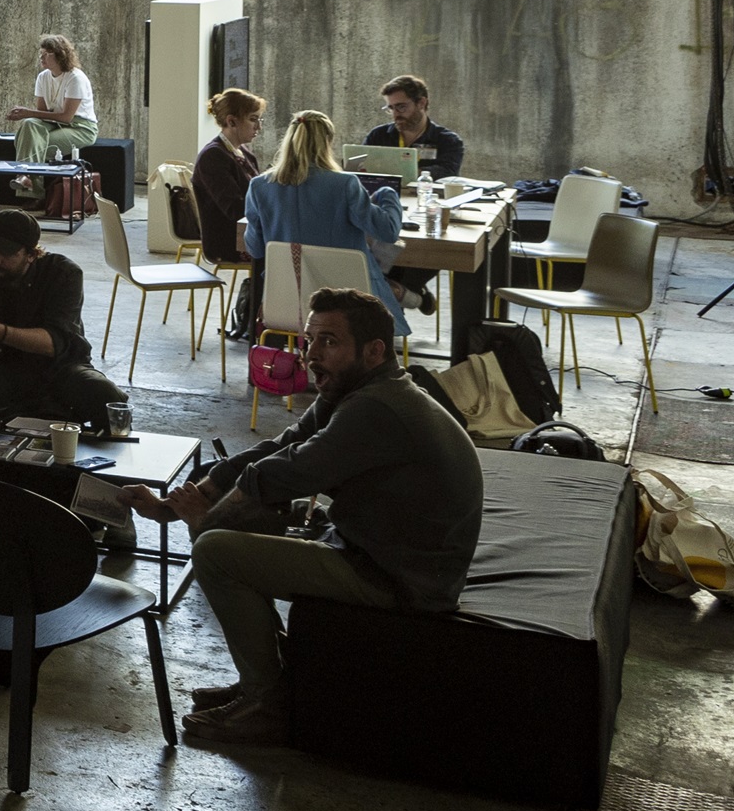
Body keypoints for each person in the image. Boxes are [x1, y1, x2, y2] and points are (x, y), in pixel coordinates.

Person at [124, 288, 482, 746]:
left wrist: (204, 521)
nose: (311, 355)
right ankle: (270, 680)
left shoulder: (375, 408)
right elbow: (276, 450)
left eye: (328, 342)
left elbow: (284, 476)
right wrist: (174, 508)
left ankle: (267, 703)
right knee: (246, 523)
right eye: (309, 341)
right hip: (372, 546)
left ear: (374, 351)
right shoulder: (360, 388)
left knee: (215, 551)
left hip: (398, 579)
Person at [0, 210, 121, 433]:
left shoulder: (63, 274)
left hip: (59, 368)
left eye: (6, 253)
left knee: (107, 397)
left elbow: (53, 343)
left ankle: (106, 463)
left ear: (32, 254)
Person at [242, 107, 406, 323]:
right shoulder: (346, 184)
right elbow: (388, 231)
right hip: (348, 304)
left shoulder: (259, 186)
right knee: (386, 260)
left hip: (285, 299)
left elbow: (254, 248)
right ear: (327, 143)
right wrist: (388, 194)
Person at [366, 73, 465, 314]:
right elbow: (363, 169)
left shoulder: (448, 141)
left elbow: (447, 171)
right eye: (390, 108)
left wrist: (402, 172)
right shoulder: (379, 136)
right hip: (385, 209)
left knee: (437, 247)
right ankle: (406, 294)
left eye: (401, 106)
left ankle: (402, 290)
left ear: (422, 103)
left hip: (424, 210)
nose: (396, 114)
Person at [195, 87, 266, 332]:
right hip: (227, 240)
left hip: (245, 232)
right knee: (283, 253)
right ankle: (264, 325)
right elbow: (235, 209)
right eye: (253, 119)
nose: (258, 126)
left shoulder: (243, 152)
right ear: (231, 121)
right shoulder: (213, 157)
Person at [5, 33, 96, 186]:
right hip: (53, 121)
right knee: (29, 124)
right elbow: (42, 113)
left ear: (61, 56)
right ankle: (26, 179)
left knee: (33, 146)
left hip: (80, 127)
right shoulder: (43, 77)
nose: (41, 58)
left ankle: (31, 189)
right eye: (41, 54)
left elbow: (67, 117)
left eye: (46, 54)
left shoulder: (75, 78)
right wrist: (26, 115)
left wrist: (28, 112)